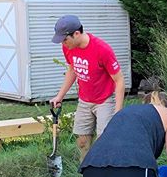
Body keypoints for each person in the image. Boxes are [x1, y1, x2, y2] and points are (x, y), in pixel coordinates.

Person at [50, 15, 125, 159]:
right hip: (84, 100)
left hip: (105, 100)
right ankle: (86, 175)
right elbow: (72, 69)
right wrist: (60, 96)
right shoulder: (68, 48)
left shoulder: (102, 49)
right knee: (82, 142)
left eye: (65, 39)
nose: (63, 44)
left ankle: (105, 174)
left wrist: (118, 111)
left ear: (76, 34)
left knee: (105, 141)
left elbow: (119, 80)